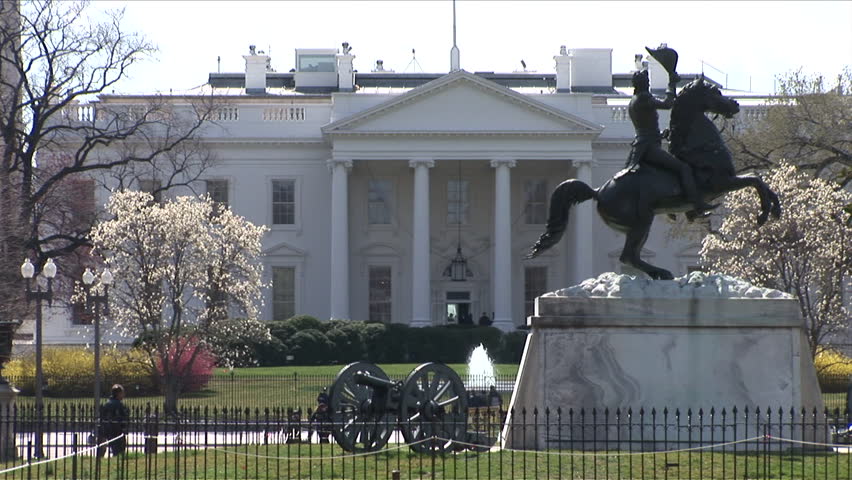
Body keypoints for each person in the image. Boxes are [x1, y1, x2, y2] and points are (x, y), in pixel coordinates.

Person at [625, 47, 717, 217]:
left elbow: (645, 127)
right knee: (684, 169)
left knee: (670, 170)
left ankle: (676, 205)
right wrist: (671, 83)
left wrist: (661, 133)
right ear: (642, 83)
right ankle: (695, 207)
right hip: (649, 147)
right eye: (647, 80)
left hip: (644, 144)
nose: (649, 83)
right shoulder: (644, 98)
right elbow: (668, 103)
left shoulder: (633, 101)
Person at [97, 384, 130, 458]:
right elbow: (123, 418)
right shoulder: (119, 405)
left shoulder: (106, 404)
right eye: (122, 393)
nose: (123, 395)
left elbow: (102, 416)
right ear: (118, 394)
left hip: (106, 429)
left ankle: (99, 460)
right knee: (119, 451)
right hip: (116, 430)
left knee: (101, 449)